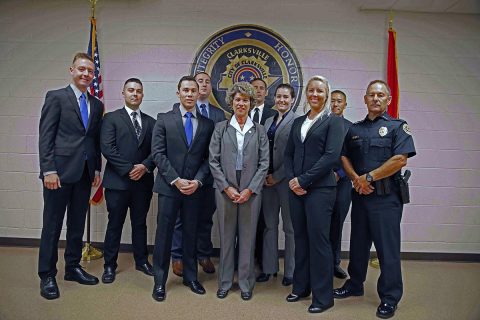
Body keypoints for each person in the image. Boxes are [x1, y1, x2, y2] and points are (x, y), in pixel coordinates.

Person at [333, 80, 416, 319]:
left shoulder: (398, 127)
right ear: (365, 99)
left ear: (388, 100)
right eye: (372, 95)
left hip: (386, 198)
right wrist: (355, 180)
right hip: (360, 196)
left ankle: (389, 297)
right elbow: (344, 156)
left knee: (386, 249)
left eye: (381, 95)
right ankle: (355, 284)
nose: (376, 99)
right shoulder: (355, 129)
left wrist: (367, 177)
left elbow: (400, 159)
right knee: (358, 244)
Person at [38, 52, 103, 300]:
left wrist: (96, 168)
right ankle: (47, 275)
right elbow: (46, 136)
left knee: (76, 225)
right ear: (72, 70)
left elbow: (93, 140)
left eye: (90, 71)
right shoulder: (56, 97)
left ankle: (73, 267)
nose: (86, 74)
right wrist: (48, 170)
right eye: (81, 69)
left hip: (85, 174)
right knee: (52, 227)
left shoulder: (96, 105)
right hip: (59, 174)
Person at [151, 76, 214, 302]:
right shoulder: (164, 119)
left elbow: (208, 159)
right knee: (164, 234)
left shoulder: (207, 124)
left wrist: (197, 181)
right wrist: (176, 179)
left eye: (193, 91)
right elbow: (158, 153)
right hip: (170, 188)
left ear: (199, 94)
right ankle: (159, 280)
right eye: (185, 90)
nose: (189, 94)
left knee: (190, 233)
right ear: (178, 93)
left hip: (195, 189)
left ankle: (190, 277)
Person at [284, 75, 344, 313]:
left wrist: (303, 179)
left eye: (320, 91)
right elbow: (288, 154)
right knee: (301, 238)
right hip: (296, 190)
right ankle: (301, 287)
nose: (315, 95)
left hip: (321, 190)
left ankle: (323, 297)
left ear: (326, 94)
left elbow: (330, 157)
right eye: (311, 90)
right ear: (306, 94)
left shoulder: (334, 121)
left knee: (319, 242)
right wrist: (292, 180)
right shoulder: (298, 122)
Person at [209, 82, 269, 300]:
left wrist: (250, 189)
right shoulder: (220, 128)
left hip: (250, 193)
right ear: (231, 103)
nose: (241, 103)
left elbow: (264, 163)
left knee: (247, 238)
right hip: (225, 190)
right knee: (226, 238)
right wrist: (226, 186)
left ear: (251, 103)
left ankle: (245, 283)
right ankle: (225, 282)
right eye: (237, 99)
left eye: (245, 100)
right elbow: (213, 161)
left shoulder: (260, 130)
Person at [100, 78, 156, 283]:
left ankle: (141, 261)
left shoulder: (152, 122)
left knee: (140, 224)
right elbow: (108, 148)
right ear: (123, 93)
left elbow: (156, 151)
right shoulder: (111, 119)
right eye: (131, 90)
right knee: (115, 223)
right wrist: (129, 169)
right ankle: (109, 265)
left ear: (142, 95)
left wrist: (145, 166)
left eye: (139, 91)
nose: (135, 94)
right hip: (118, 183)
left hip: (143, 183)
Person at [170, 72, 226, 277]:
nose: (203, 85)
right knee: (179, 219)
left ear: (210, 87)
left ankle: (203, 254)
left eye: (207, 82)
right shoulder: (176, 112)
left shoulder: (219, 115)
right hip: (184, 178)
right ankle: (177, 256)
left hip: (209, 177)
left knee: (205, 218)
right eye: (199, 81)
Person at [256, 84, 298, 286]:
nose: (281, 100)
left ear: (292, 100)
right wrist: (264, 175)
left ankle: (290, 271)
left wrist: (278, 176)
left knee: (289, 228)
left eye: (285, 97)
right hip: (267, 182)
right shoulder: (267, 121)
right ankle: (269, 268)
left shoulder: (297, 121)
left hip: (286, 182)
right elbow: (261, 151)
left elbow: (295, 155)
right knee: (269, 226)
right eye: (278, 96)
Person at [249, 77, 276, 270]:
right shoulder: (240, 111)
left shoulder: (273, 115)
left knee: (263, 221)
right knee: (244, 220)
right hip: (243, 176)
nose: (258, 91)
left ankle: (260, 258)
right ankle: (242, 258)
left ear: (266, 93)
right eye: (254, 88)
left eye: (261, 88)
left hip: (266, 176)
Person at [329, 90, 353, 279]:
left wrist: (340, 174)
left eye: (339, 101)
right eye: (333, 101)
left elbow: (356, 158)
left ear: (345, 105)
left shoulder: (351, 128)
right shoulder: (321, 124)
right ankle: (319, 263)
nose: (336, 104)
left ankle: (334, 263)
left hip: (342, 183)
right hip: (321, 183)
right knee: (320, 224)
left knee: (336, 224)